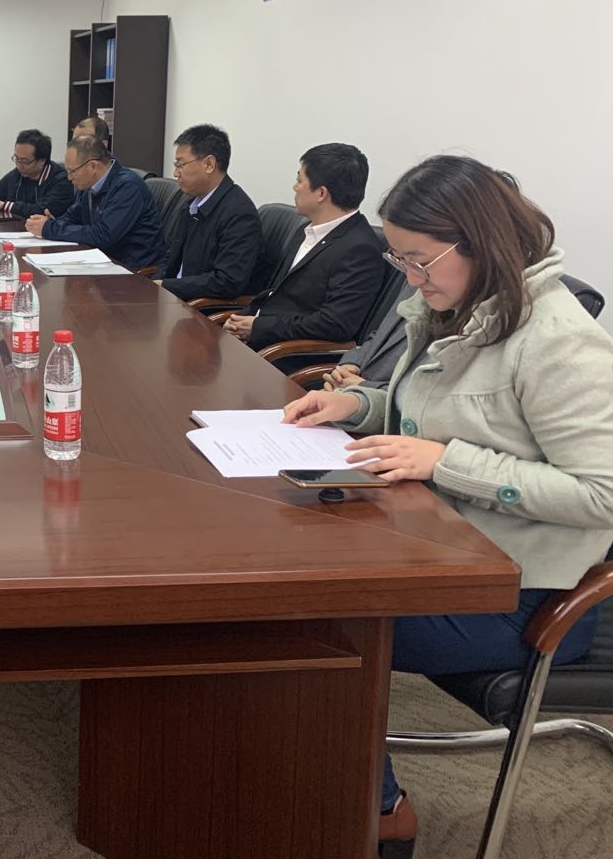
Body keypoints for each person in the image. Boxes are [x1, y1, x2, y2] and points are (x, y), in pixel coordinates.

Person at [281, 155, 613, 857]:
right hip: (441, 546)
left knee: (320, 617)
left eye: (419, 260)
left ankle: (380, 810)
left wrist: (446, 463)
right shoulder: (453, 308)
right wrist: (358, 404)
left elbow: (601, 493)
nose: (410, 277)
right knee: (290, 566)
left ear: (479, 242)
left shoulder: (558, 341)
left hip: (524, 592)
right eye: (399, 259)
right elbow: (433, 413)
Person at [224, 143, 383, 351]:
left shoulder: (360, 249)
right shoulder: (306, 230)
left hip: (287, 354)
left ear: (321, 193)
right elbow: (276, 293)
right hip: (258, 340)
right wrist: (241, 319)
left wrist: (259, 327)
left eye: (300, 180)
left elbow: (334, 325)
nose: (295, 187)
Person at [25, 133, 165, 271]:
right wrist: (53, 222)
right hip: (101, 261)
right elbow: (73, 217)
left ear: (92, 166)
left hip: (131, 269)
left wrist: (50, 228)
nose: (69, 178)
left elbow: (103, 235)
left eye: (72, 171)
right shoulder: (91, 184)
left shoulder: (128, 187)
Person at [155, 124, 261, 301]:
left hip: (199, 308)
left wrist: (165, 286)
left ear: (209, 164)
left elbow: (226, 282)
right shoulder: (190, 204)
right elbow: (169, 257)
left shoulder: (239, 214)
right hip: (173, 297)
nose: (175, 173)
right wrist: (152, 285)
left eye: (180, 165)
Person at [323, 281, 418, 391]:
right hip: (350, 389)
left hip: (380, 397)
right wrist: (350, 365)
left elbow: (425, 396)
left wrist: (364, 386)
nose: (411, 278)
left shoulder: (423, 283)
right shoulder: (412, 282)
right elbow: (381, 335)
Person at [0, 129, 74, 219]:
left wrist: (4, 205)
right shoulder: (19, 173)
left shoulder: (61, 180)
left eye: (25, 161)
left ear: (42, 161)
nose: (19, 165)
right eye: (17, 158)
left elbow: (40, 210)